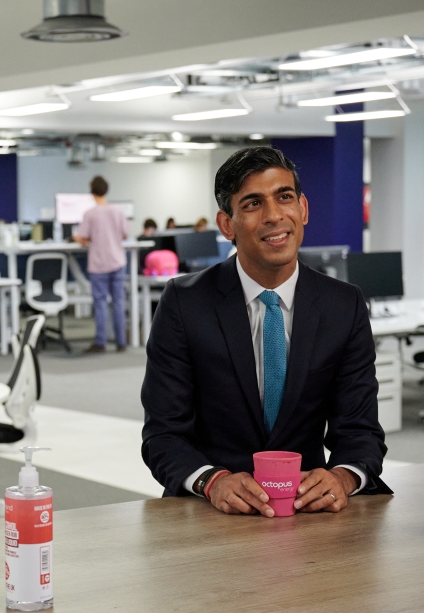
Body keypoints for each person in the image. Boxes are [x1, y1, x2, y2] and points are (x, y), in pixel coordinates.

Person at [141, 146, 389, 518]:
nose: (275, 216)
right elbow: (163, 434)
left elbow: (360, 430)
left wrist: (342, 477)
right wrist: (212, 481)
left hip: (309, 516)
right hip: (210, 515)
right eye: (253, 203)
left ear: (302, 208)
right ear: (227, 224)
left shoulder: (344, 304)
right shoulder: (183, 303)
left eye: (284, 197)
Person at [73, 175, 130, 353]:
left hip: (99, 264)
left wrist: (77, 238)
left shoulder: (90, 214)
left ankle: (101, 342)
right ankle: (121, 342)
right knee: (118, 302)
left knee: (100, 303)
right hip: (117, 261)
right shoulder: (118, 211)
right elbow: (125, 235)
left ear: (92, 191)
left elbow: (82, 238)